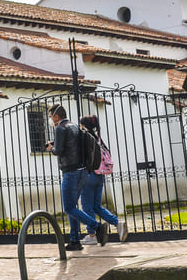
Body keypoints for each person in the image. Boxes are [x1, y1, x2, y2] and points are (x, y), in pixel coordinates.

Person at [45, 104, 92, 251]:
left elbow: (59, 151)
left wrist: (50, 148)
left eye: (51, 116)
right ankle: (75, 241)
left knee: (69, 207)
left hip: (70, 173)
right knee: (73, 207)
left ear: (57, 116)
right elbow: (71, 145)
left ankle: (96, 226)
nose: (51, 119)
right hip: (82, 171)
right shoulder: (74, 126)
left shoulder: (60, 128)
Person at [77, 115, 127, 245]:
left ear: (83, 125)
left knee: (87, 206)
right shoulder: (98, 138)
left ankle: (92, 234)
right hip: (99, 176)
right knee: (96, 206)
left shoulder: (85, 137)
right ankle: (118, 223)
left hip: (89, 175)